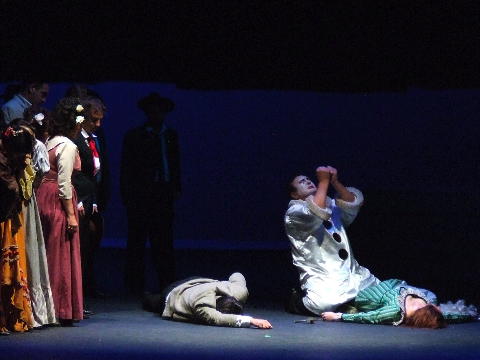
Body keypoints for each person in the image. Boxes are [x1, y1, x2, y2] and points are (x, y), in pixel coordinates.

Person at [284, 165, 379, 316]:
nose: (308, 181)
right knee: (322, 304)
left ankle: (348, 303)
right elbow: (315, 213)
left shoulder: (328, 203)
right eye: (302, 182)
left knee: (379, 294)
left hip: (349, 270)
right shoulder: (294, 213)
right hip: (322, 274)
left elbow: (352, 205)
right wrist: (323, 182)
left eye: (309, 179)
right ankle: (297, 302)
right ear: (294, 195)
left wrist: (334, 182)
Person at [121, 93, 181, 294]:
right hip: (141, 195)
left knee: (163, 241)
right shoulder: (135, 136)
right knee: (137, 240)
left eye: (160, 110)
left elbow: (175, 165)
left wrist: (175, 189)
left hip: (163, 194)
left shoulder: (170, 135)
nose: (156, 114)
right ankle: (134, 285)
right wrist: (128, 196)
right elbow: (127, 167)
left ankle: (167, 283)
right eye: (152, 110)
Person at [36, 97, 84, 326]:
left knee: (47, 252)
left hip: (43, 196)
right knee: (60, 254)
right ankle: (61, 308)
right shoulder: (67, 145)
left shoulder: (50, 141)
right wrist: (71, 215)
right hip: (56, 199)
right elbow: (65, 183)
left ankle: (47, 306)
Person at [72, 95, 109, 302]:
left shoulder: (94, 139)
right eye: (94, 120)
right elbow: (75, 174)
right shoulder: (76, 140)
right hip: (80, 199)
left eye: (100, 119)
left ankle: (85, 291)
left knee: (90, 245)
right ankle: (78, 296)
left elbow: (97, 172)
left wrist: (95, 199)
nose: (98, 124)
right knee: (81, 246)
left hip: (91, 199)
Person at [0, 125, 35, 334]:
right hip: (3, 217)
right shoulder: (2, 161)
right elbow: (12, 188)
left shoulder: (11, 159)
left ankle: (9, 315)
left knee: (12, 267)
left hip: (9, 217)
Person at [143, 273, 272, 329]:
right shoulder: (202, 306)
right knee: (151, 301)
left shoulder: (238, 292)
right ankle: (145, 294)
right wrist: (251, 320)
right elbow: (218, 319)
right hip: (173, 293)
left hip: (198, 281)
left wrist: (226, 285)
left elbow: (237, 275)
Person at [320, 279, 451, 328]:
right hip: (392, 284)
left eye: (437, 309)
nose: (439, 307)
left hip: (372, 297)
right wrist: (471, 314)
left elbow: (369, 317)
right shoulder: (429, 299)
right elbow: (452, 315)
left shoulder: (394, 312)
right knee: (433, 296)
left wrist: (338, 316)